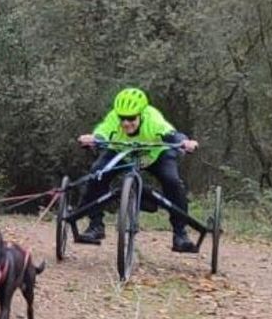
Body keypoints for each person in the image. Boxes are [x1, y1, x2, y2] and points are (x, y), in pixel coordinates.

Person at [75, 87, 200, 253]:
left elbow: (171, 134)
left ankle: (180, 235)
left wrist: (185, 142)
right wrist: (93, 139)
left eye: (131, 118)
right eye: (122, 118)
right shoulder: (114, 118)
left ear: (141, 114)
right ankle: (95, 226)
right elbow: (103, 132)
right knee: (97, 173)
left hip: (155, 155)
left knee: (172, 182)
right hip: (121, 152)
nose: (126, 123)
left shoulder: (153, 119)